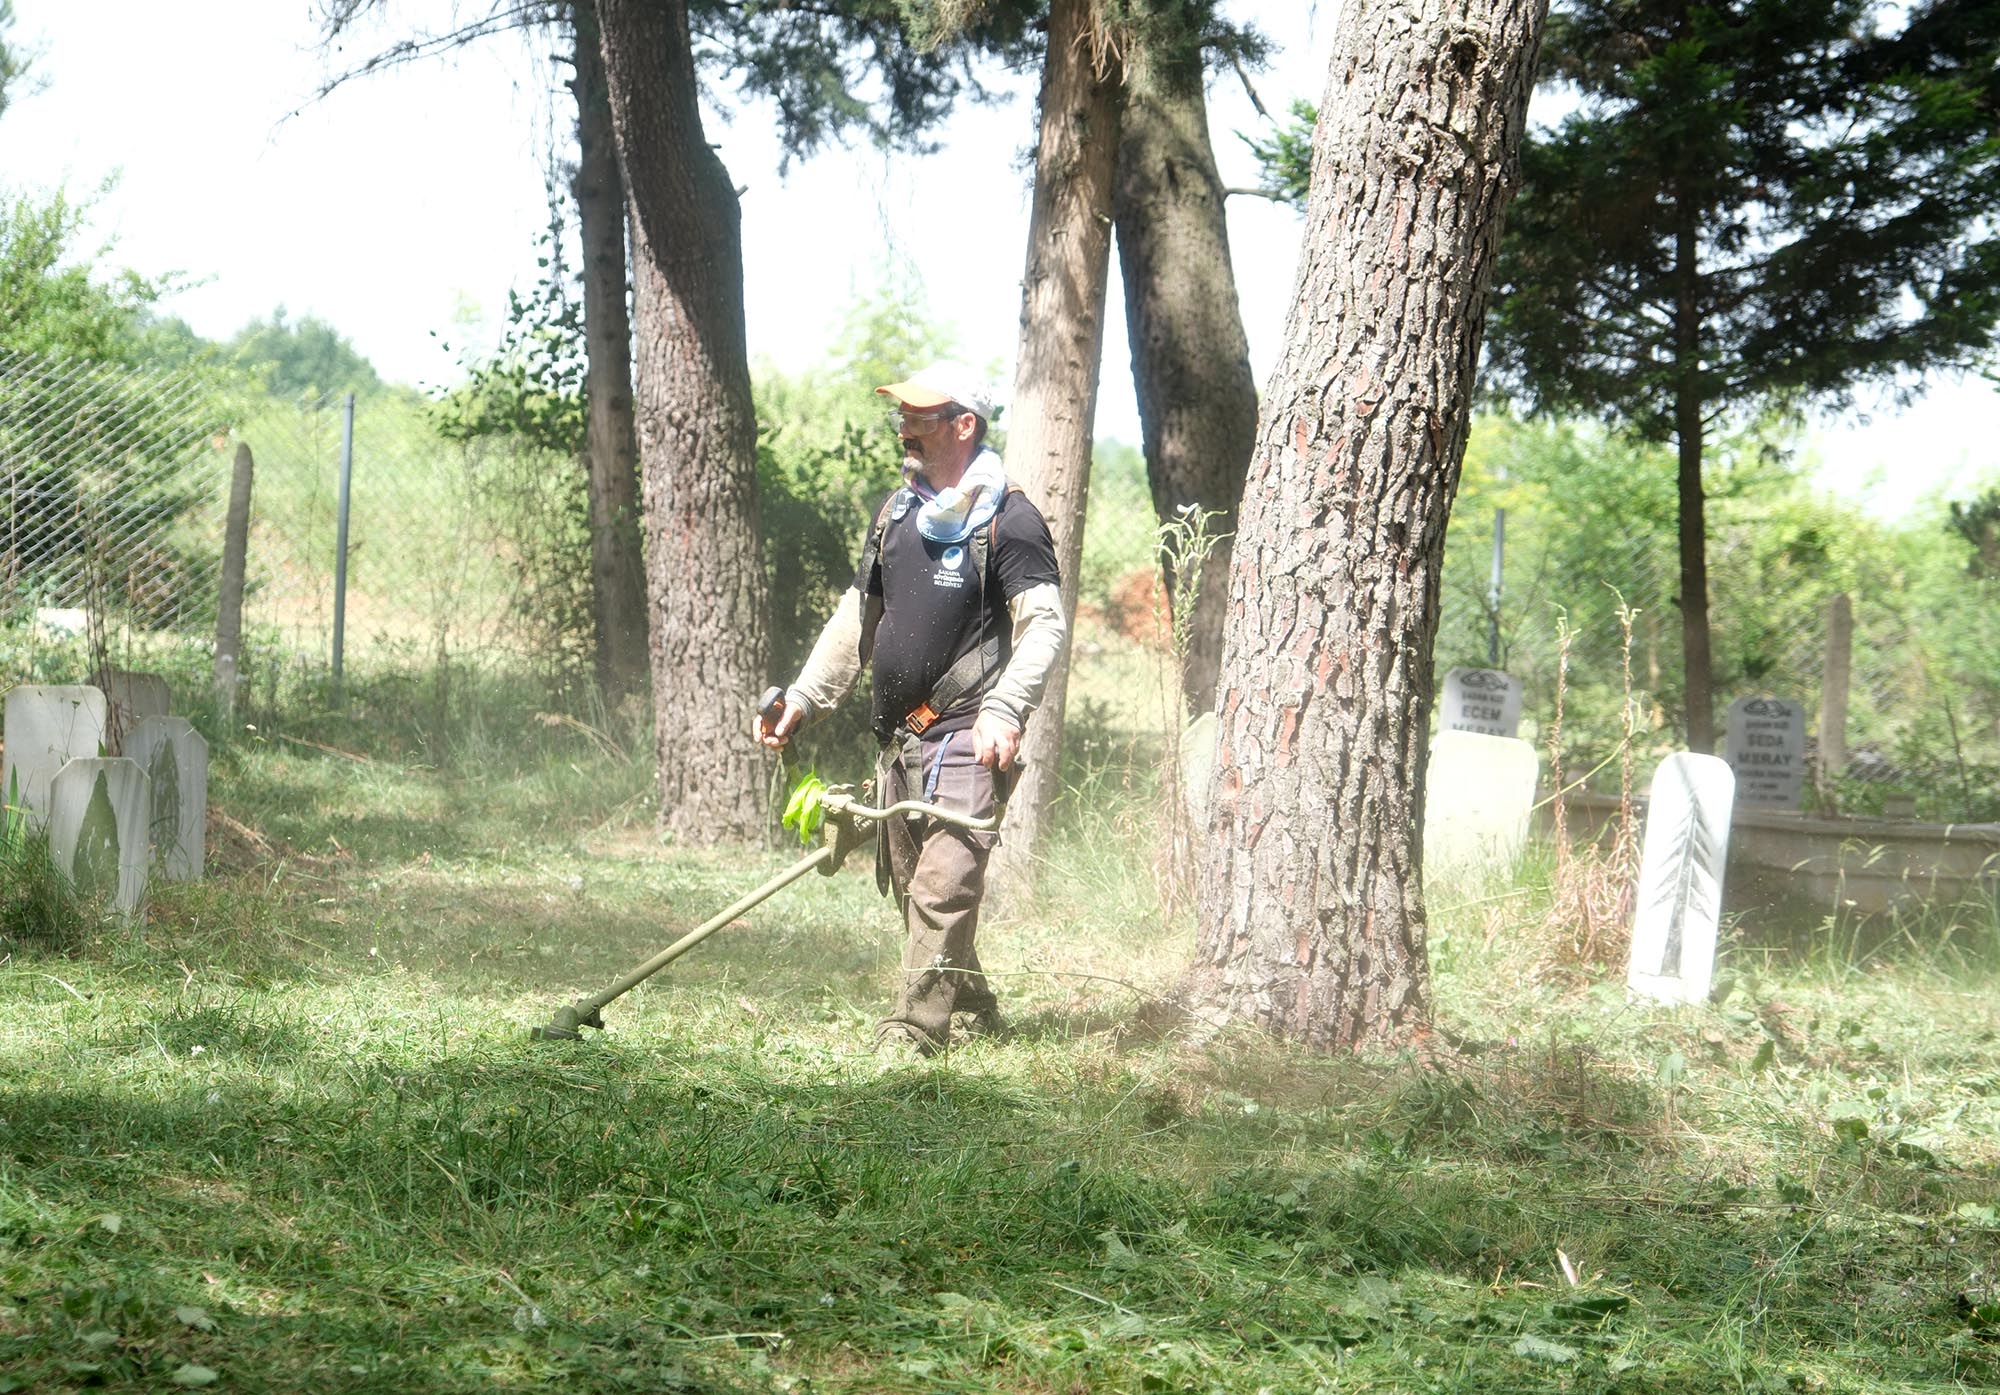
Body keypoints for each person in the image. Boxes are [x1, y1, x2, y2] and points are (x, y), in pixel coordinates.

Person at [755, 362, 1066, 1057]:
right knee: (912, 885)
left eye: (920, 418)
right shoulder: (897, 513)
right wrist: (805, 697)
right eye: (901, 416)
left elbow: (1044, 624)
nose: (904, 429)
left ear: (964, 425)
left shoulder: (1009, 520)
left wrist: (1007, 709)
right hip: (902, 736)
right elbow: (857, 617)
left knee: (944, 878)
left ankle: (912, 1031)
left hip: (970, 725)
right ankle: (973, 1005)